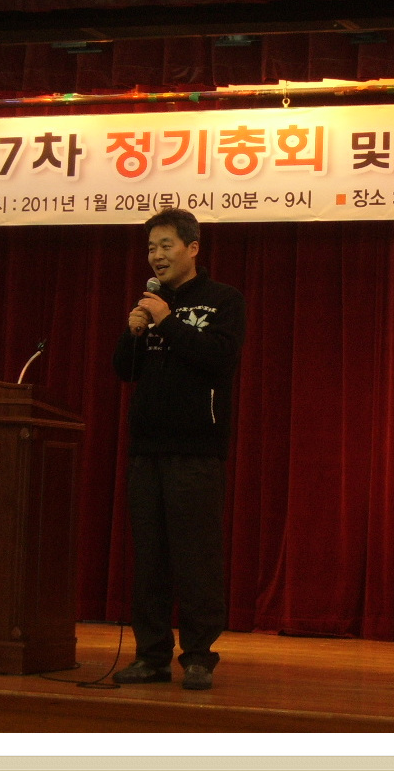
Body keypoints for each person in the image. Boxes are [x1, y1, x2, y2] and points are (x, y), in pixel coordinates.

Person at [111, 208, 245, 690]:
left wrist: (167, 321)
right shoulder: (151, 303)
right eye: (151, 248)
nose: (156, 255)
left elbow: (219, 359)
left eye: (166, 245)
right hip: (146, 450)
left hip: (196, 450)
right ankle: (151, 656)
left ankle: (198, 656)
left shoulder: (223, 300)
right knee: (149, 560)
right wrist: (134, 331)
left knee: (195, 557)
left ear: (192, 248)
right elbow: (125, 371)